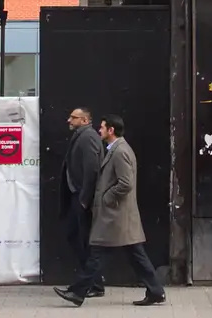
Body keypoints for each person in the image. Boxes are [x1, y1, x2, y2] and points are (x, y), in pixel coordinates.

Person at [56, 114, 166, 308]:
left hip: (115, 217)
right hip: (118, 217)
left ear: (111, 130)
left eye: (102, 127)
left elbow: (126, 183)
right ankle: (156, 291)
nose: (99, 130)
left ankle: (77, 292)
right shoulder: (116, 149)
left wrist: (107, 197)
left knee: (97, 254)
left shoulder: (120, 152)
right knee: (135, 255)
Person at [53, 106, 105, 304]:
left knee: (86, 241)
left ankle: (92, 284)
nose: (69, 120)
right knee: (76, 237)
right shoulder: (81, 135)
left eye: (73, 117)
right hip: (77, 196)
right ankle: (93, 282)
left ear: (84, 120)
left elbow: (92, 169)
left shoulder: (89, 136)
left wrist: (84, 198)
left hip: (82, 198)